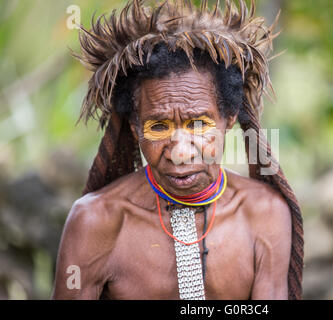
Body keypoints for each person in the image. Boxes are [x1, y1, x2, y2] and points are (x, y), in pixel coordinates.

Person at [52, 0, 304, 300]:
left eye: (198, 125)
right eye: (158, 127)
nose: (181, 153)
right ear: (134, 126)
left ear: (230, 118)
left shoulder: (265, 213)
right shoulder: (96, 222)